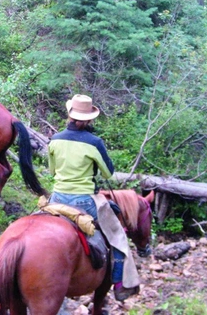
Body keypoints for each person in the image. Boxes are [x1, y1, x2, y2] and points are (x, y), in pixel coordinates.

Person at [47, 94, 140, 301]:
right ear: (89, 119)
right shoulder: (94, 142)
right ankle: (119, 283)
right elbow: (108, 173)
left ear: (70, 115)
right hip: (84, 201)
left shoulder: (55, 139)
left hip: (57, 198)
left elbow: (52, 171)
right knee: (117, 235)